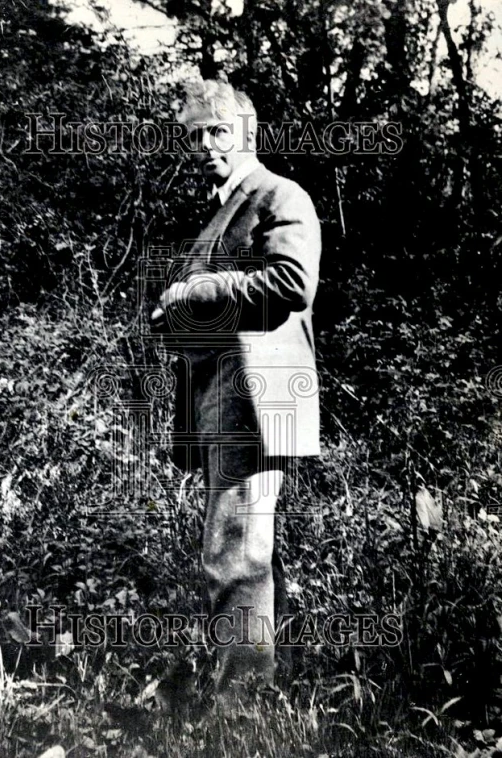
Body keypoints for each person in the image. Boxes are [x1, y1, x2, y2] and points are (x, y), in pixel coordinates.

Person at [151, 80, 322, 707]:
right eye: (193, 134)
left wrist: (193, 294)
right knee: (243, 546)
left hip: (256, 397)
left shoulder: (279, 195)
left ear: (248, 132)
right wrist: (173, 318)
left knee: (235, 551)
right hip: (222, 397)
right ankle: (252, 692)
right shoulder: (218, 214)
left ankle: (242, 710)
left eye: (217, 131)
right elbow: (221, 307)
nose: (204, 145)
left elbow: (291, 283)